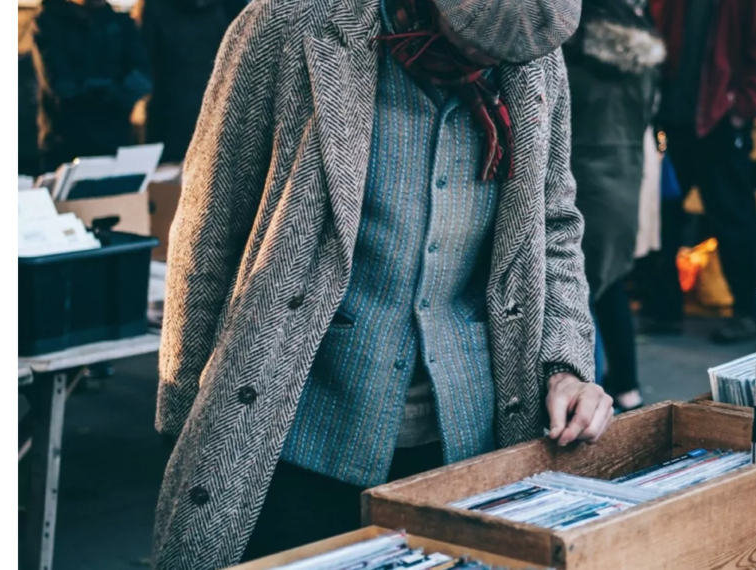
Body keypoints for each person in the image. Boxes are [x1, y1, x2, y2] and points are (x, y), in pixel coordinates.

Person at [153, 0, 612, 568]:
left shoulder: (532, 58)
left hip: (467, 439)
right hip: (293, 425)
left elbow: (555, 225)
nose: (490, 64)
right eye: (472, 42)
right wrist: (183, 414)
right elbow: (210, 218)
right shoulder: (291, 23)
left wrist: (565, 363)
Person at [645, 0, 756, 344]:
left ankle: (751, 315)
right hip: (676, 123)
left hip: (717, 126)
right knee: (662, 216)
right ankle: (663, 311)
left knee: (733, 219)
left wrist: (741, 108)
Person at [563, 0, 664, 412]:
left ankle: (588, 395)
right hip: (625, 180)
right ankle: (625, 387)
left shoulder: (571, 51)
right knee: (607, 286)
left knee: (574, 296)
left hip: (580, 178)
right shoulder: (643, 53)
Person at [31, 0, 151, 172]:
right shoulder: (47, 22)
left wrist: (92, 88)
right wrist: (113, 90)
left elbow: (142, 80)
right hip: (64, 148)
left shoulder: (120, 23)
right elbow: (60, 84)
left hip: (115, 145)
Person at [133, 0, 247, 163]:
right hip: (209, 115)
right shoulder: (228, 7)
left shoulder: (229, 6)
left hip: (181, 116)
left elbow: (143, 64)